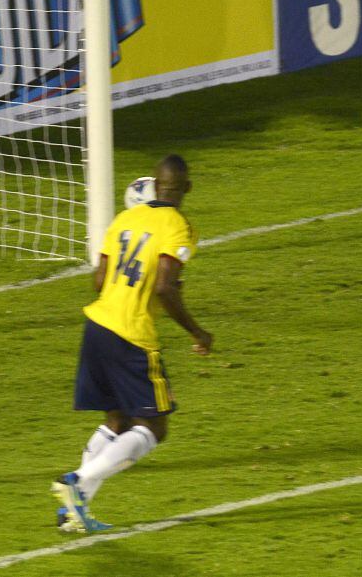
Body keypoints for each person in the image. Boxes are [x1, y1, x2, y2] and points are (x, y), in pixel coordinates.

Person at [52, 154, 213, 533]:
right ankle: (78, 479)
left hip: (97, 323)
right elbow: (164, 286)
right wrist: (197, 332)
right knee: (154, 427)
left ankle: (72, 513)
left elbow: (98, 280)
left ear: (154, 186)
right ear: (186, 188)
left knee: (117, 419)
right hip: (131, 333)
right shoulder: (180, 226)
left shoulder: (124, 219)